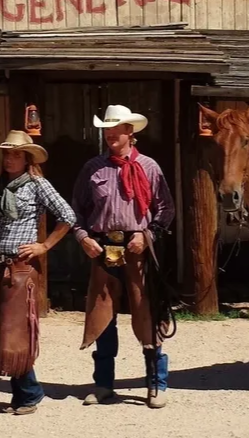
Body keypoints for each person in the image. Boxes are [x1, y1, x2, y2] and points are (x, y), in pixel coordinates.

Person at [71, 105, 176, 409]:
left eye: (116, 128)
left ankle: (157, 384)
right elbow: (75, 209)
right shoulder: (93, 168)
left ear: (130, 132)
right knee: (104, 316)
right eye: (107, 129)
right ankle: (104, 385)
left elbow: (165, 209)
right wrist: (84, 237)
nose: (110, 134)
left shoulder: (150, 167)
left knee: (148, 314)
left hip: (138, 245)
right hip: (106, 245)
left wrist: (148, 235)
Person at [0, 131, 76, 415]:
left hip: (21, 268)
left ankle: (29, 393)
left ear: (26, 158)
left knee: (17, 331)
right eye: (7, 154)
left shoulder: (38, 185)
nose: (10, 158)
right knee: (8, 330)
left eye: (16, 154)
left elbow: (68, 216)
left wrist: (44, 246)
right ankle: (23, 393)